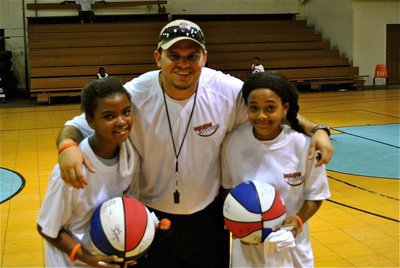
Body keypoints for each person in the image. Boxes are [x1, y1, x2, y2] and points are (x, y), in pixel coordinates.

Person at [56, 19, 333, 267]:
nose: (183, 64)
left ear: (205, 57)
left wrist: (317, 129)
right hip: (151, 215)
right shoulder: (135, 93)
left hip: (209, 217)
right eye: (173, 55)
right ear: (157, 57)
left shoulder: (225, 90)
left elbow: (269, 108)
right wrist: (67, 148)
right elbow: (75, 126)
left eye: (193, 56)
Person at [221, 71, 331, 267]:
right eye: (254, 108)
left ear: (285, 108)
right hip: (247, 252)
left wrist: (298, 219)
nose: (261, 116)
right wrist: (236, 221)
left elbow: (315, 195)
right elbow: (228, 189)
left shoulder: (304, 145)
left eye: (270, 108)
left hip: (291, 248)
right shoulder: (232, 143)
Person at [37, 77, 141, 267]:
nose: (121, 122)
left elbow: (125, 205)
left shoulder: (129, 154)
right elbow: (46, 227)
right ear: (90, 121)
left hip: (106, 257)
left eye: (126, 112)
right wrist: (86, 257)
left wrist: (149, 224)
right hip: (72, 262)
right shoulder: (71, 170)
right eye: (109, 116)